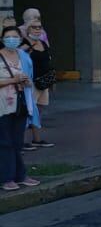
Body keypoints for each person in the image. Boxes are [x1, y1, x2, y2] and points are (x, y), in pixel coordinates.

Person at [0, 26, 38, 191]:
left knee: (17, 142)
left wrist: (26, 82)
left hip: (20, 104)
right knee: (5, 142)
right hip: (2, 105)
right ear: (2, 39)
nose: (11, 39)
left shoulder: (23, 56)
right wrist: (13, 80)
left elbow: (29, 77)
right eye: (8, 37)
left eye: (15, 36)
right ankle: (6, 177)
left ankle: (20, 175)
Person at [23, 20, 54, 148]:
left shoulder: (42, 43)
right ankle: (22, 140)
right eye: (33, 27)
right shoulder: (24, 45)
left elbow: (48, 60)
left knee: (39, 111)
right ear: (27, 29)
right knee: (28, 111)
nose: (37, 30)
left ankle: (37, 139)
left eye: (39, 27)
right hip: (31, 83)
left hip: (44, 82)